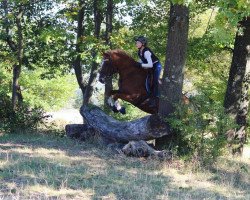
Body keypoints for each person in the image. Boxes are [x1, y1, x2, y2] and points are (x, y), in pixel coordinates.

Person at [134, 36, 162, 106]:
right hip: (150, 67)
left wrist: (140, 65)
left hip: (156, 66)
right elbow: (142, 60)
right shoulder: (139, 52)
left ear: (142, 44)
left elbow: (150, 64)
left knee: (155, 80)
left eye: (138, 42)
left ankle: (155, 99)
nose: (136, 44)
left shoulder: (146, 51)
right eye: (136, 42)